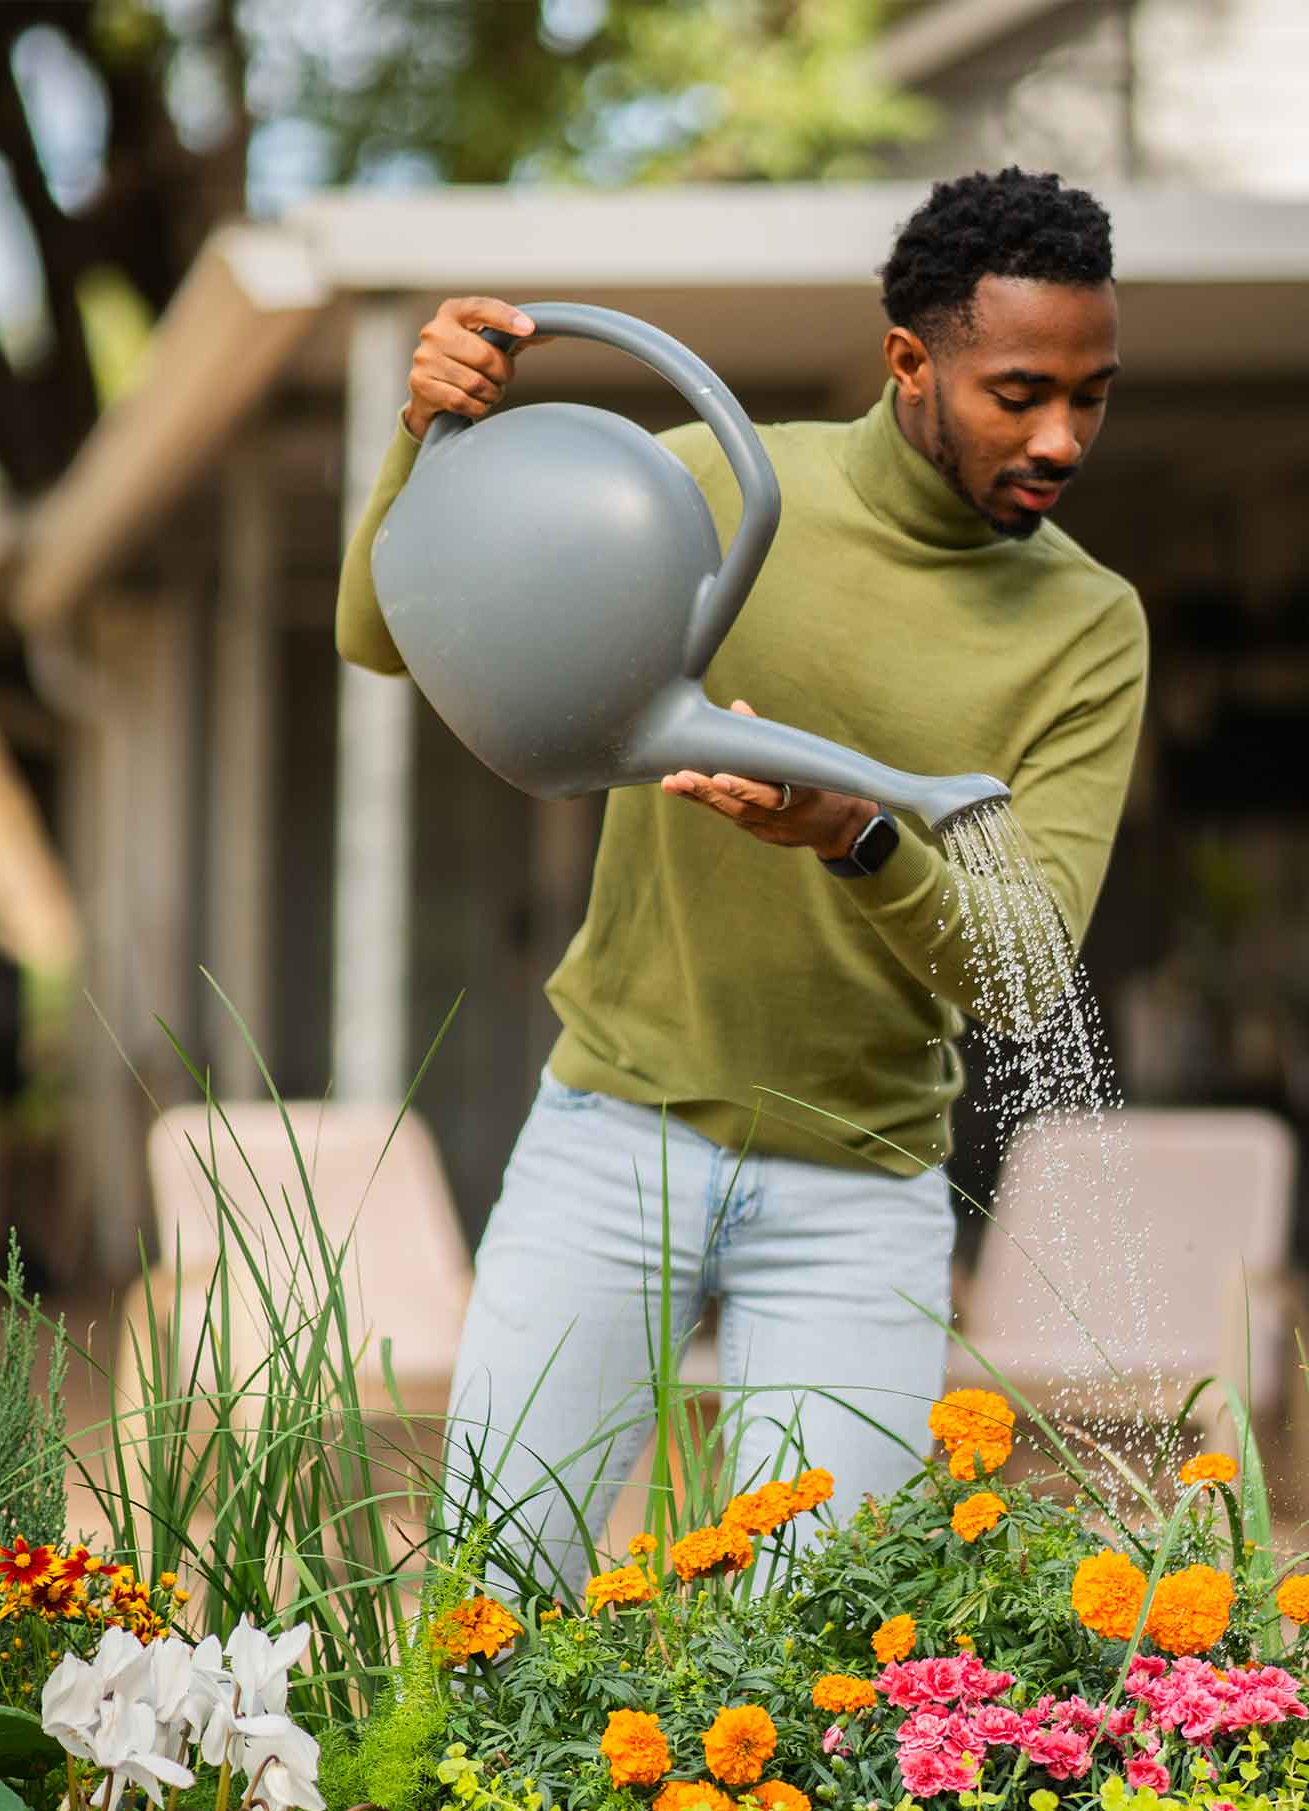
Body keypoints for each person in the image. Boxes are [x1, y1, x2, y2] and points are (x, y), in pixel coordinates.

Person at [335, 166, 1148, 1586]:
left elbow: (1024, 971)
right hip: (613, 1139)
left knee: (823, 1652)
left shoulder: (1086, 629)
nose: (1064, 436)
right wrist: (427, 439)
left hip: (862, 1187)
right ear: (913, 362)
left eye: (1091, 394)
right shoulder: (716, 482)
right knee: (499, 1600)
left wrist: (857, 834)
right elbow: (383, 633)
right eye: (1020, 393)